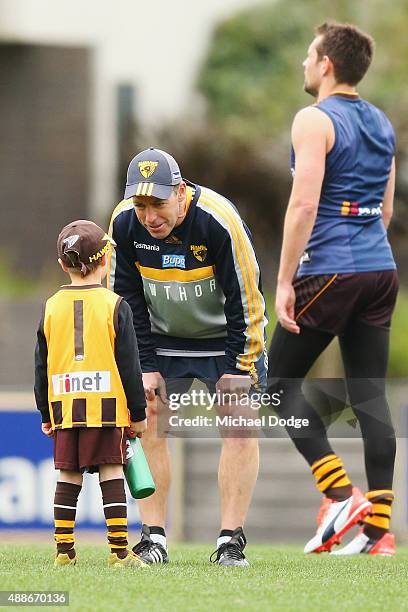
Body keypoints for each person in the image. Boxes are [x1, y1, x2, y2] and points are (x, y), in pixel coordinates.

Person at [267, 21, 398, 556]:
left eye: (309, 54)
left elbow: (304, 204)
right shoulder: (384, 124)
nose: (304, 62)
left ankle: (340, 494)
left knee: (275, 385)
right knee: (370, 397)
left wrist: (284, 280)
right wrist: (363, 258)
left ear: (327, 65)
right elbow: (386, 210)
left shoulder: (314, 119)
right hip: (381, 270)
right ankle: (379, 533)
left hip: (332, 269)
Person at [108, 147, 267, 566]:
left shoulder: (219, 221)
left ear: (180, 193)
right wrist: (143, 365)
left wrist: (238, 369)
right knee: (150, 421)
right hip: (161, 337)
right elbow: (123, 300)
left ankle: (231, 540)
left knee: (238, 423)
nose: (149, 216)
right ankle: (153, 538)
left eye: (157, 204)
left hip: (225, 335)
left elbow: (247, 302)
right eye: (141, 205)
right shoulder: (124, 222)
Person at [34, 220, 148, 567]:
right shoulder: (115, 305)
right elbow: (130, 366)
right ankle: (118, 552)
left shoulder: (51, 306)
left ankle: (64, 551)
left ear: (62, 264)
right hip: (107, 407)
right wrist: (138, 414)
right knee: (112, 470)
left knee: (68, 474)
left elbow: (41, 365)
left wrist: (45, 413)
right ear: (105, 261)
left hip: (66, 407)